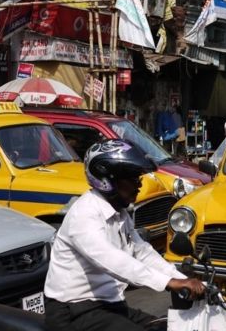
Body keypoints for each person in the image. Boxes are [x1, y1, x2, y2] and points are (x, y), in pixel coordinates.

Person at [44, 139, 205, 331]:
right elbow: (113, 261)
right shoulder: (84, 214)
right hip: (74, 310)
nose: (139, 185)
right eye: (133, 179)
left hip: (109, 306)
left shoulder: (120, 214)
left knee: (168, 327)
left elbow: (142, 253)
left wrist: (181, 278)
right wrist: (169, 283)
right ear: (107, 180)